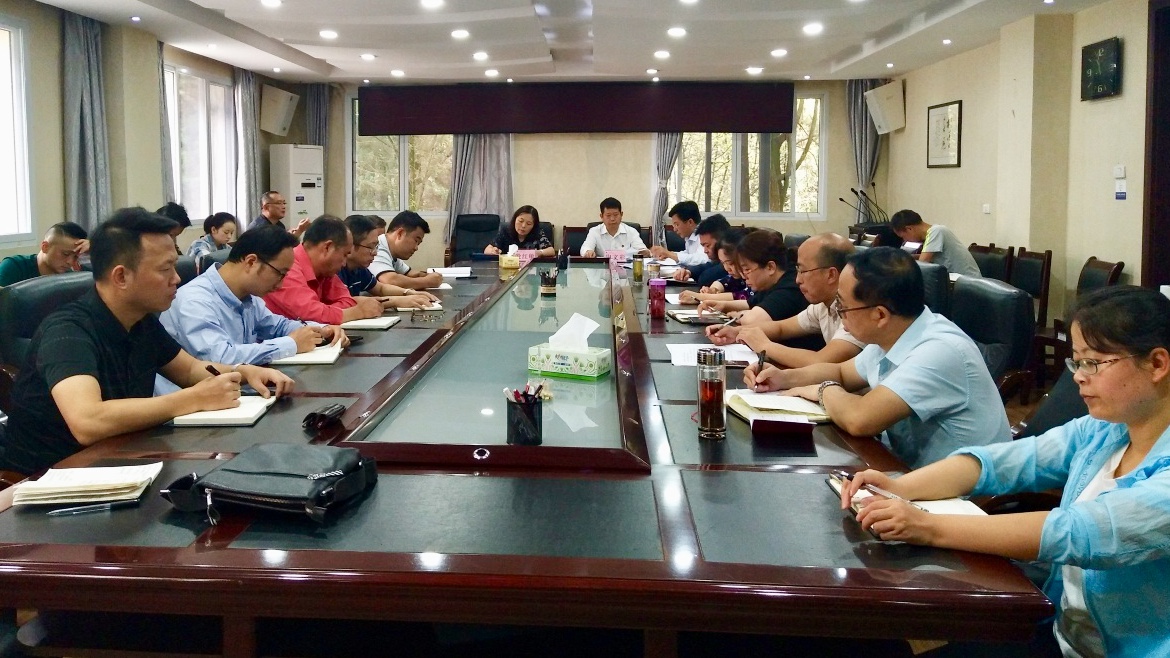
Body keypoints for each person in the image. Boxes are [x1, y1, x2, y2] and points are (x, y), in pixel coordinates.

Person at [843, 285, 1170, 657]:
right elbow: (1009, 461)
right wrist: (901, 487)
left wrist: (927, 526)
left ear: (1157, 364)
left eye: (1092, 363)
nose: (1079, 376)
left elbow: (1080, 532)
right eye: (1076, 362)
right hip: (1061, 630)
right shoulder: (1107, 429)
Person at [0, 207, 294, 475]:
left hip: (122, 460)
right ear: (121, 277)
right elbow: (88, 421)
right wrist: (191, 399)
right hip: (51, 479)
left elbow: (190, 370)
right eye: (165, 269)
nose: (176, 279)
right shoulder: (68, 331)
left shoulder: (140, 321)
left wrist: (243, 372)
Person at [745, 247, 1009, 468]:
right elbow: (841, 373)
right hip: (904, 469)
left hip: (959, 498)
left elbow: (860, 419)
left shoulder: (938, 351)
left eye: (843, 306)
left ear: (880, 314)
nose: (839, 312)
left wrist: (821, 390)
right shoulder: (896, 331)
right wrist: (783, 378)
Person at [161, 225, 346, 369]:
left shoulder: (248, 297)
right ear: (251, 262)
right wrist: (291, 344)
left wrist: (320, 329)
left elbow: (278, 326)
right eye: (280, 274)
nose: (281, 284)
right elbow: (220, 358)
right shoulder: (195, 301)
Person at [709, 233, 865, 368]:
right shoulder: (822, 306)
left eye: (803, 271)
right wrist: (737, 332)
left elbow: (821, 361)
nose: (798, 280)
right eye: (797, 270)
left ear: (830, 275)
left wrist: (765, 345)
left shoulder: (858, 311)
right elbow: (781, 328)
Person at [262, 215, 384, 324]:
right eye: (344, 255)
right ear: (327, 247)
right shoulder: (288, 268)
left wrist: (324, 310)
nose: (344, 263)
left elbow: (347, 300)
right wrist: (358, 312)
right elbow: (309, 315)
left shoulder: (326, 271)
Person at [697, 229, 807, 327]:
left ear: (770, 267)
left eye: (747, 269)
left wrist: (740, 314)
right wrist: (723, 305)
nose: (743, 276)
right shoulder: (772, 282)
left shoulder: (790, 287)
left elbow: (753, 320)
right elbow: (750, 303)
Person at [340, 214, 438, 309]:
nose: (375, 253)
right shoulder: (336, 271)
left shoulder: (359, 269)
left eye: (376, 247)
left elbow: (381, 288)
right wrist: (397, 301)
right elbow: (348, 303)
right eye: (370, 247)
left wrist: (410, 293)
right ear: (350, 246)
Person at [889, 209, 981, 278]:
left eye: (903, 236)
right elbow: (931, 257)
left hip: (968, 284)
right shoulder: (932, 233)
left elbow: (922, 264)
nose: (905, 240)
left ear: (909, 229)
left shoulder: (936, 231)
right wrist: (903, 257)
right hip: (956, 282)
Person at [370, 210, 444, 290]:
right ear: (400, 233)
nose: (416, 248)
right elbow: (390, 280)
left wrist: (427, 275)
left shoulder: (392, 252)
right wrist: (427, 281)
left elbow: (409, 273)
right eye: (416, 241)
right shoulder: (377, 247)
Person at [0, 222, 89, 286]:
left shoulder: (73, 275)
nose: (70, 262)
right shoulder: (14, 267)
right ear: (45, 247)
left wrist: (94, 250)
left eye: (75, 256)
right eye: (65, 254)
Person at [580, 197, 650, 258]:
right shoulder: (594, 231)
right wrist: (588, 252)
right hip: (603, 268)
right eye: (608, 215)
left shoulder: (631, 231)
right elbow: (585, 248)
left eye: (616, 215)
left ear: (621, 214)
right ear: (601, 216)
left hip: (626, 268)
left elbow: (642, 250)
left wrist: (647, 252)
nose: (612, 219)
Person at [672, 214, 730, 285]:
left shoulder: (732, 263)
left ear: (721, 242)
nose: (705, 251)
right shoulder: (717, 261)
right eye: (703, 246)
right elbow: (707, 266)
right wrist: (688, 271)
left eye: (708, 246)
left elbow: (705, 278)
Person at [651, 200, 708, 268]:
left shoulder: (705, 234)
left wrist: (670, 254)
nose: (674, 229)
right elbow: (688, 253)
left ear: (690, 222)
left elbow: (702, 259)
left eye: (677, 224)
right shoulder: (690, 236)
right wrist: (667, 254)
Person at [484, 206, 554, 257]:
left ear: (534, 225)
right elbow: (487, 250)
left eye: (528, 223)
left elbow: (551, 250)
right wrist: (493, 251)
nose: (523, 226)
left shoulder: (537, 232)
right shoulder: (505, 231)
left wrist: (539, 252)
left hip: (529, 268)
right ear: (515, 220)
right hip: (508, 267)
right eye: (520, 221)